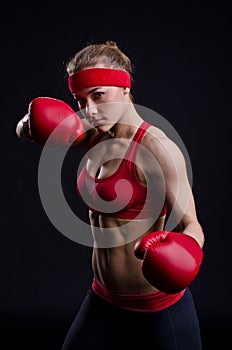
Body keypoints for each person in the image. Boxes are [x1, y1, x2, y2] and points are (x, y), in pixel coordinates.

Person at [16, 40, 205, 350]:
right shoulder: (94, 134)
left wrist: (182, 255)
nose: (90, 109)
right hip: (103, 299)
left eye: (99, 95)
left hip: (157, 308)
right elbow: (29, 132)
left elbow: (192, 225)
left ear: (125, 89)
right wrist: (30, 123)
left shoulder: (158, 150)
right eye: (80, 100)